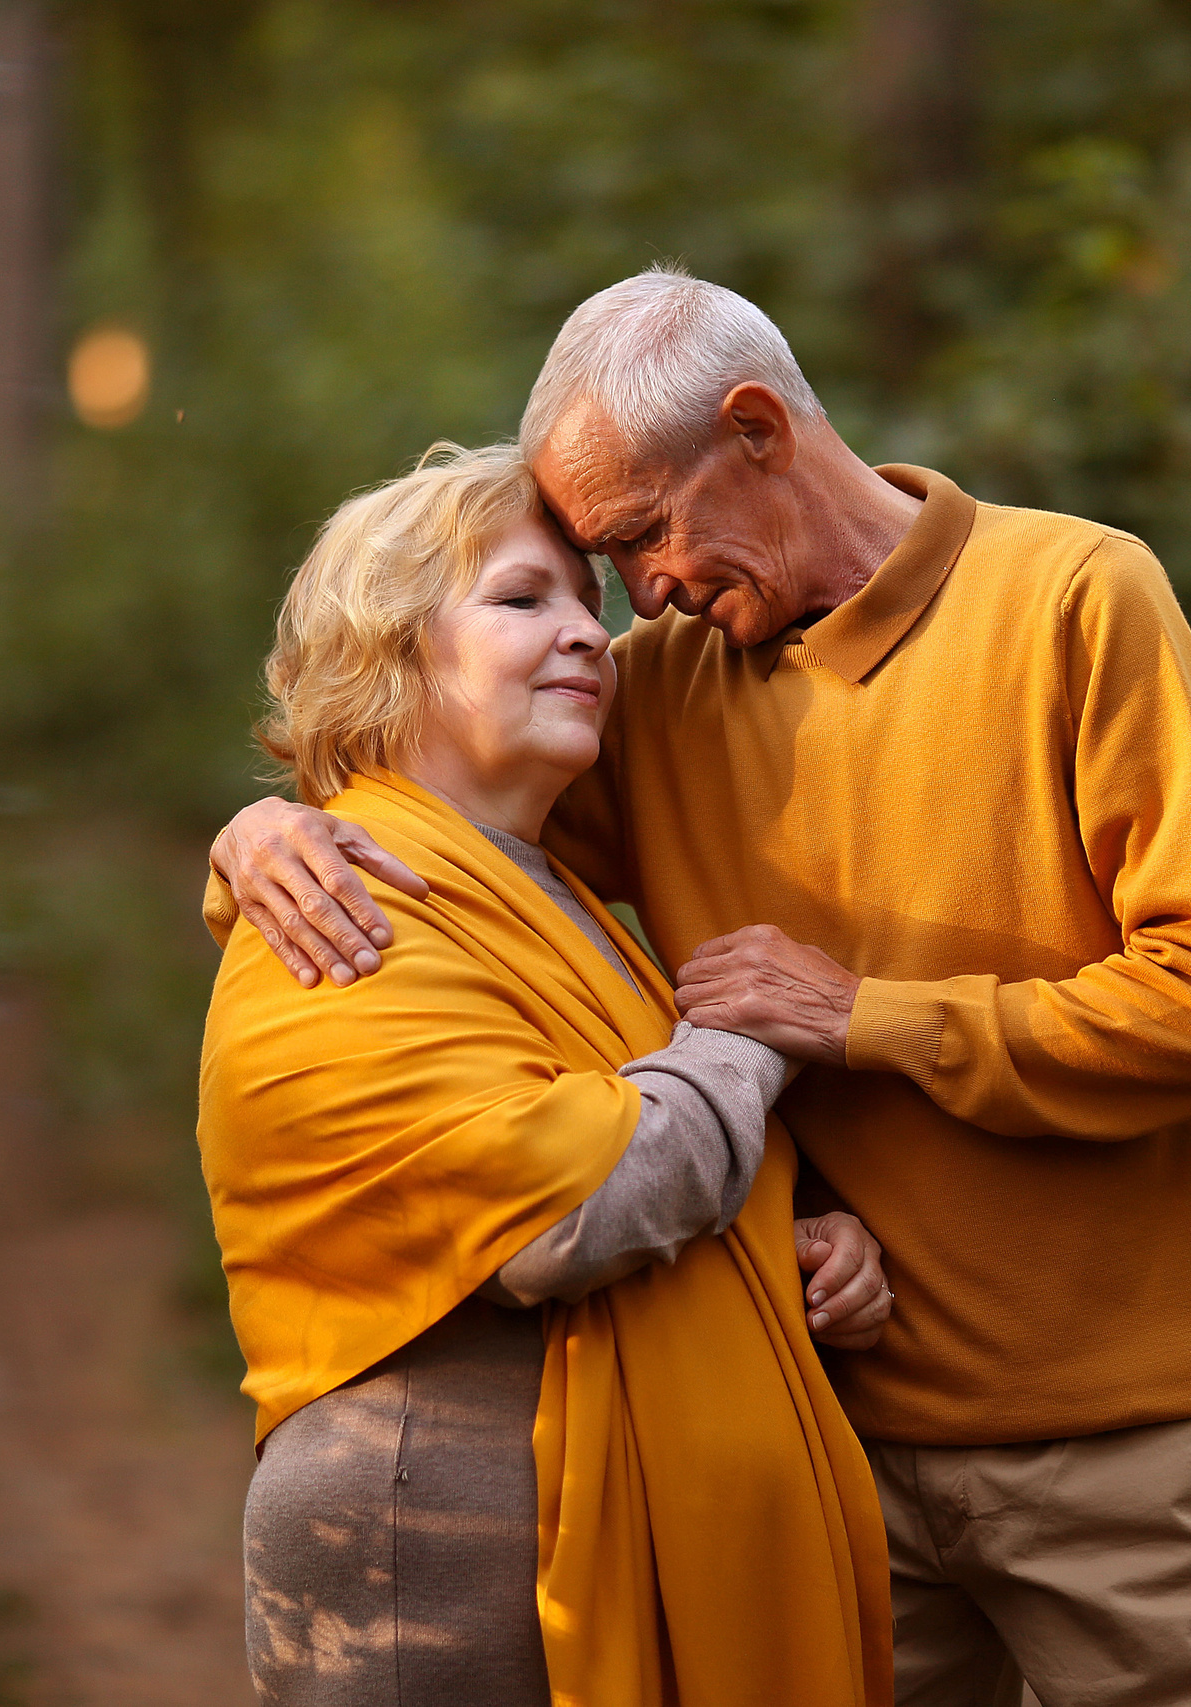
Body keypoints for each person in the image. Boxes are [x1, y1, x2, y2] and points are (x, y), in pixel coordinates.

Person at [208, 268, 1191, 1707]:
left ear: (760, 429)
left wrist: (865, 1014)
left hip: (1117, 1434)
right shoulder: (656, 689)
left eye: (642, 534)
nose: (638, 593)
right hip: (834, 1438)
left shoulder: (1075, 598)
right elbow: (455, 851)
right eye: (603, 566)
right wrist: (267, 832)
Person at [197, 441, 897, 1707]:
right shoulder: (346, 906)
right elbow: (569, 1204)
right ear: (387, 652)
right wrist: (750, 1029)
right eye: (523, 601)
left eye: (588, 599)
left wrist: (789, 1236)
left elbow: (626, 1122)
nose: (588, 634)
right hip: (430, 1554)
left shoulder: (540, 889)